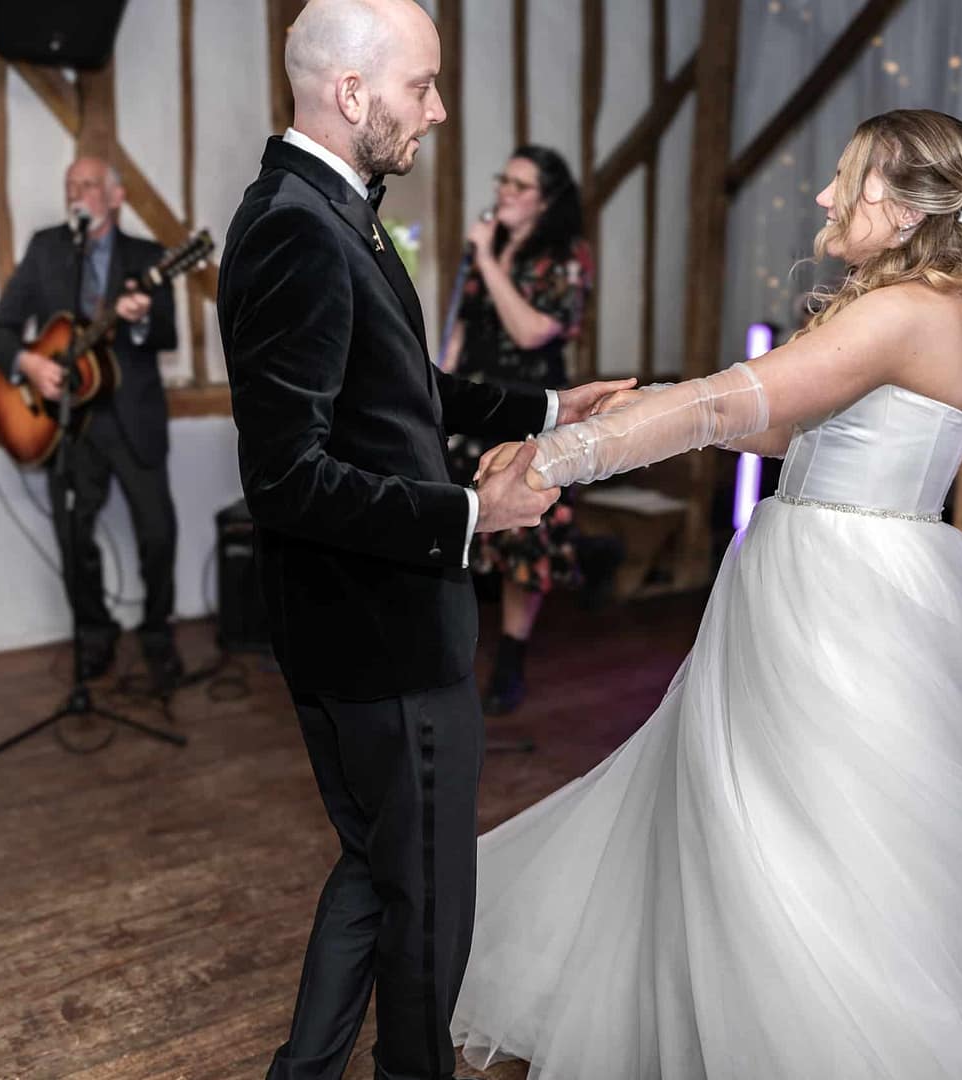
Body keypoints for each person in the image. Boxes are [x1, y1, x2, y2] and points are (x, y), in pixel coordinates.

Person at [452, 110, 962, 1078]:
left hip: (843, 597)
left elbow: (730, 403)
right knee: (752, 812)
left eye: (845, 176)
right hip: (815, 572)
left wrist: (558, 456)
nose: (821, 195)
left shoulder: (905, 311)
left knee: (816, 832)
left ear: (897, 208)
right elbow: (769, 426)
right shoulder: (909, 304)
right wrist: (635, 408)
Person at [215, 2, 632, 1078]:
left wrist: (546, 409)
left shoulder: (324, 206)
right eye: (421, 87)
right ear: (351, 93)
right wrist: (470, 512)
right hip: (383, 637)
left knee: (374, 869)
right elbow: (286, 480)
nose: (437, 111)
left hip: (356, 629)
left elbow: (410, 389)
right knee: (431, 902)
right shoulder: (298, 229)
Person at [0, 157, 184, 694]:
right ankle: (94, 633)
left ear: (116, 197)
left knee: (157, 531)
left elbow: (168, 334)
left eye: (90, 185)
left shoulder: (148, 258)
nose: (78, 192)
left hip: (134, 418)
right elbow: (0, 326)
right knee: (73, 533)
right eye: (71, 184)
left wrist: (139, 321)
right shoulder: (48, 248)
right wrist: (30, 364)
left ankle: (157, 633)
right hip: (69, 424)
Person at [444, 145, 594, 715]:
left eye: (520, 184)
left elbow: (532, 331)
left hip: (533, 411)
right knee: (466, 527)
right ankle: (455, 654)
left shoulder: (564, 257)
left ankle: (510, 658)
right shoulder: (490, 248)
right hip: (476, 407)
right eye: (503, 179)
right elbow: (462, 328)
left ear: (547, 199)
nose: (504, 190)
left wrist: (487, 260)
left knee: (524, 542)